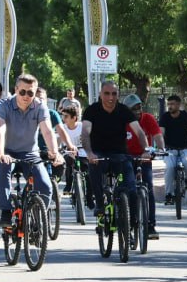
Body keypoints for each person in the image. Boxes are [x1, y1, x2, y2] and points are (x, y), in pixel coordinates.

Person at [0, 75, 64, 227]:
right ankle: (5, 211)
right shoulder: (3, 104)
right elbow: (0, 130)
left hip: (30, 153)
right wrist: (0, 154)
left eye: (30, 93)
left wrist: (54, 152)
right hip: (6, 150)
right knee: (2, 168)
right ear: (16, 90)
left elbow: (47, 131)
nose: (26, 96)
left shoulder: (40, 106)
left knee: (45, 185)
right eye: (22, 92)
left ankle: (37, 219)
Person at [79, 80, 144, 219]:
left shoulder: (123, 110)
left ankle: (131, 225)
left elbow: (139, 131)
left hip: (120, 154)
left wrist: (146, 149)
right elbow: (85, 132)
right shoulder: (92, 110)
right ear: (100, 95)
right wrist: (89, 153)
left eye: (114, 94)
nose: (110, 98)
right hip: (98, 154)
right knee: (93, 168)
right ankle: (100, 204)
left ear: (118, 95)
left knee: (131, 189)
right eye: (107, 93)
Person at [123, 94, 163, 240]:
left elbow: (157, 135)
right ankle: (128, 226)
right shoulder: (122, 121)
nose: (138, 111)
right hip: (126, 159)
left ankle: (151, 225)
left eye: (139, 107)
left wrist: (161, 149)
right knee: (128, 188)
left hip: (144, 157)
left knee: (149, 188)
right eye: (134, 108)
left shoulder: (148, 118)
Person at [159, 95, 187, 205]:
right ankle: (169, 195)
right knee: (170, 168)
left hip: (185, 148)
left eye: (172, 104)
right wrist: (161, 146)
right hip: (170, 150)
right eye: (168, 104)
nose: (170, 106)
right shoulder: (164, 117)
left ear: (178, 105)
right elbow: (161, 133)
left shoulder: (186, 115)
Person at [55, 100, 90, 205]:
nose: (63, 119)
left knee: (88, 173)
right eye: (63, 116)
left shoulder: (82, 126)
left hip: (82, 153)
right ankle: (68, 185)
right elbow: (58, 141)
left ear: (74, 118)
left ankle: (89, 196)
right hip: (69, 153)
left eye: (66, 116)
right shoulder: (63, 128)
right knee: (68, 163)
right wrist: (56, 150)